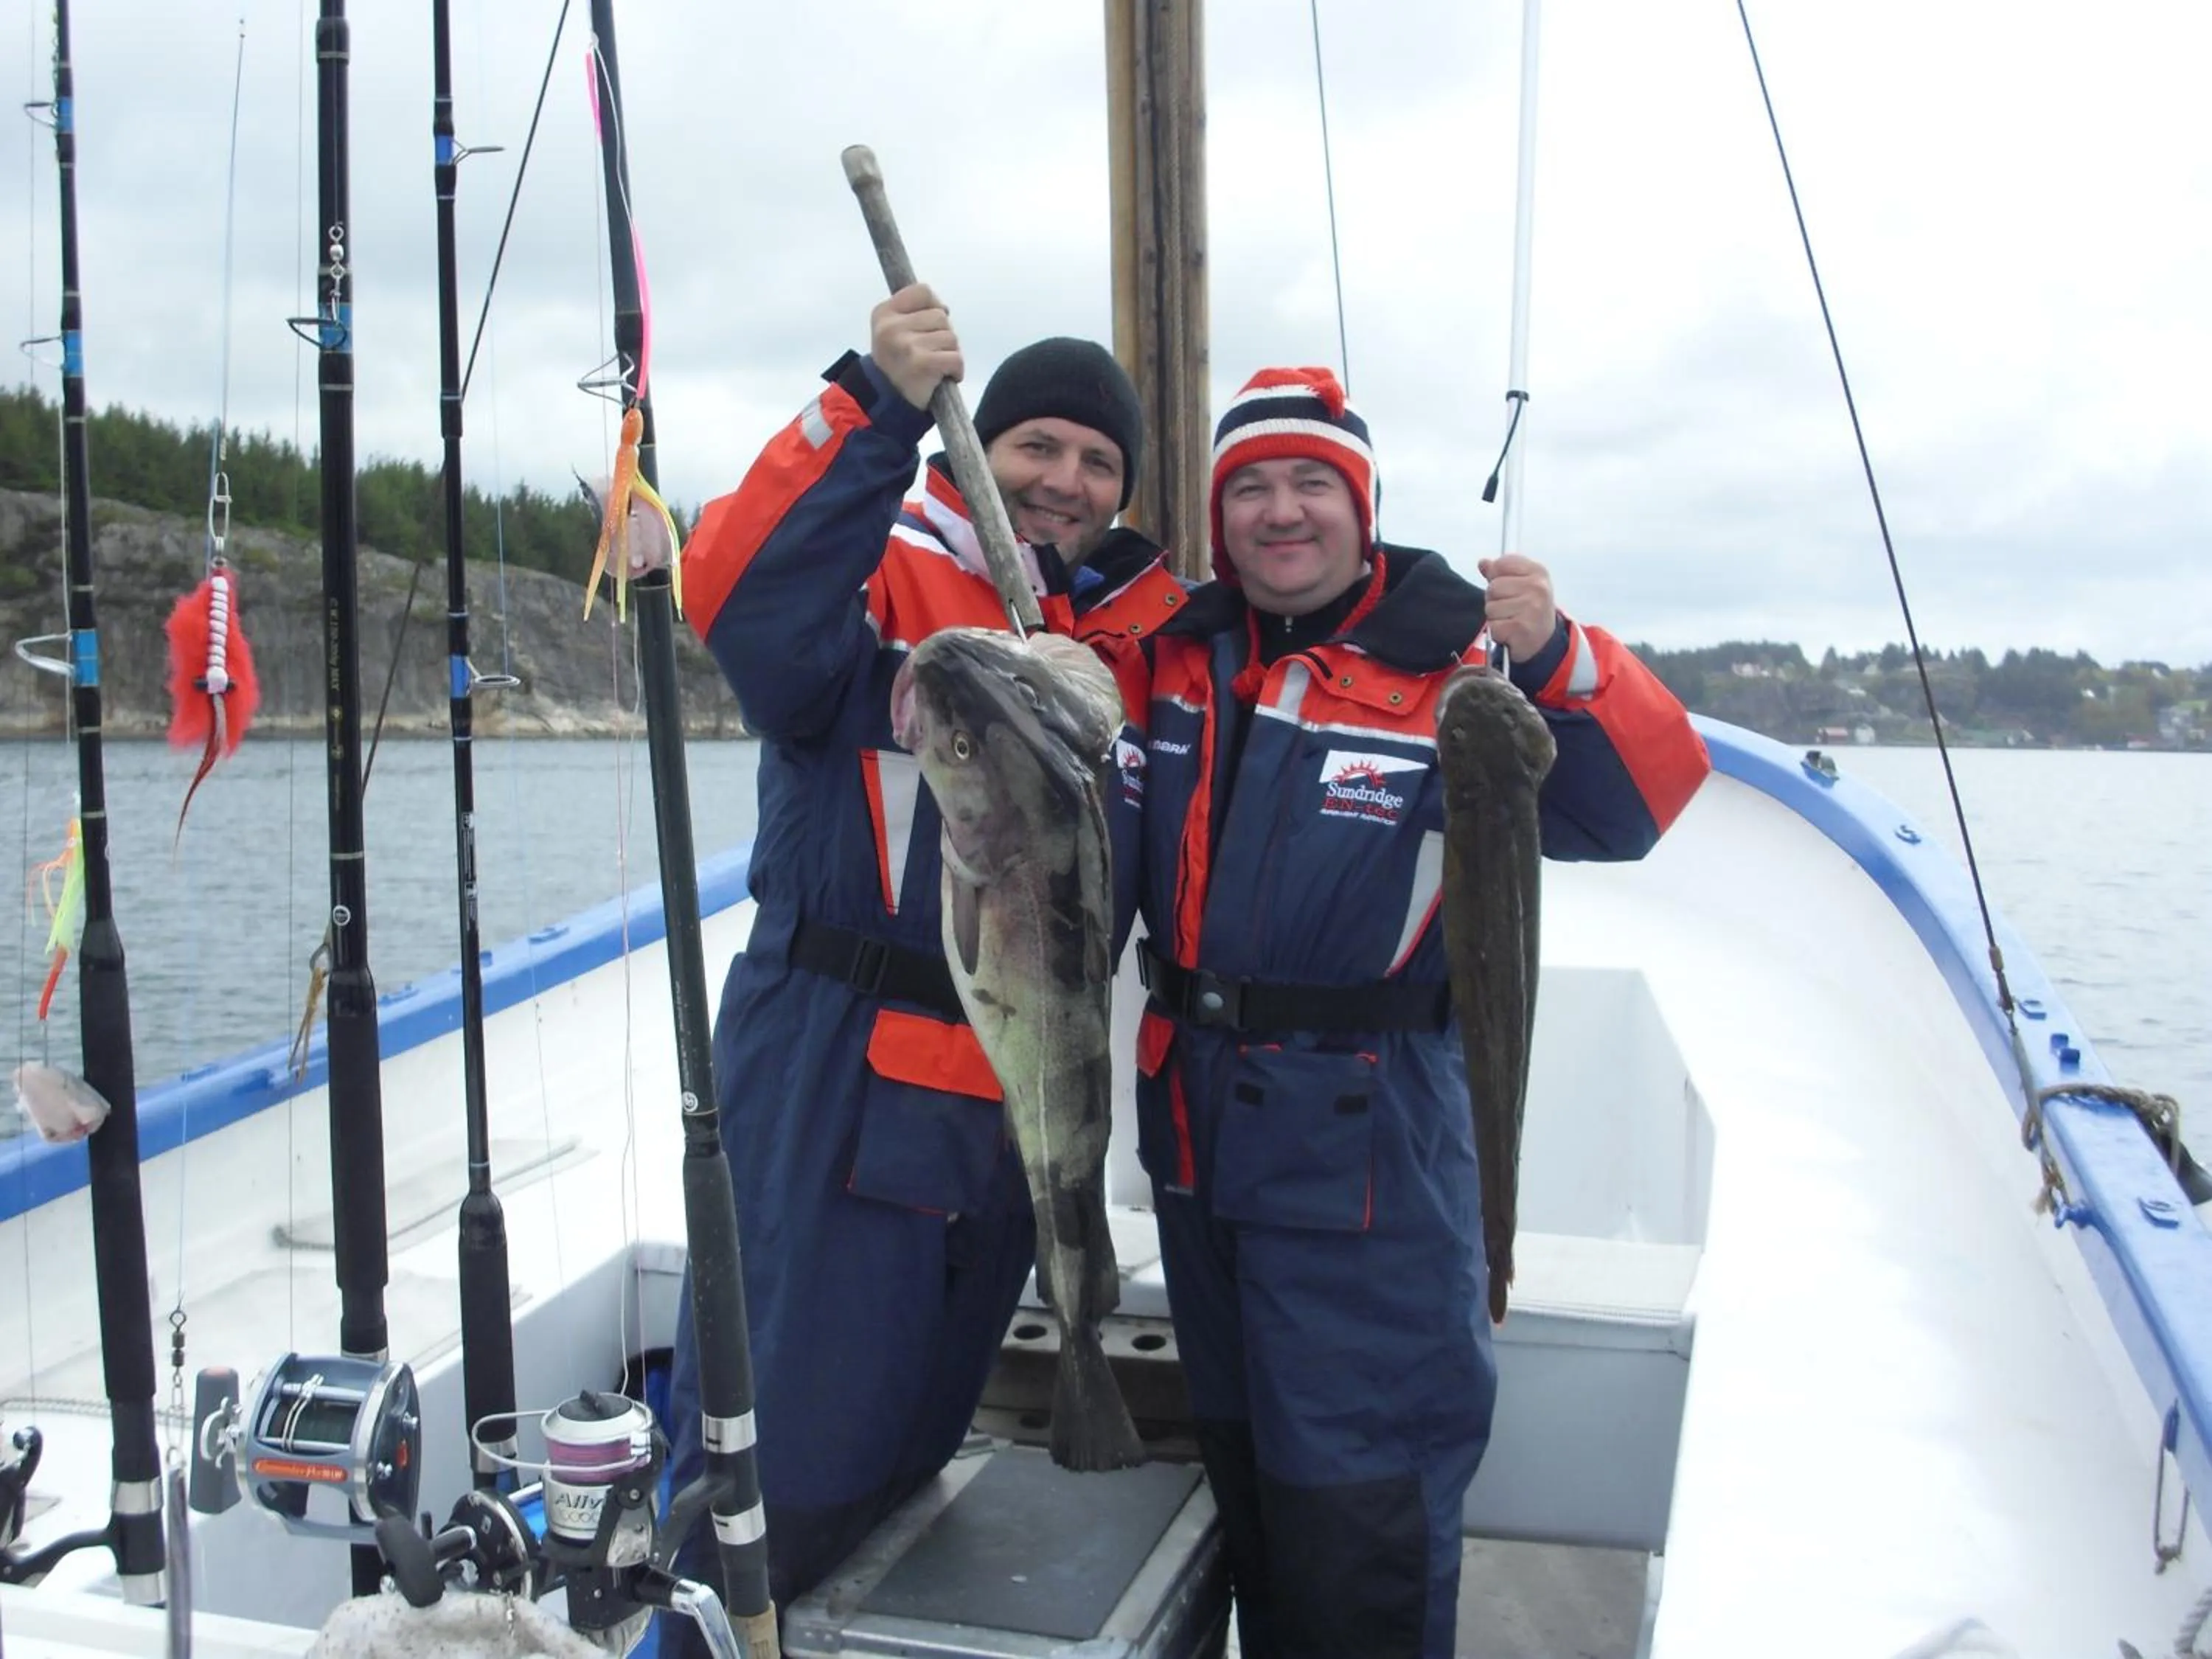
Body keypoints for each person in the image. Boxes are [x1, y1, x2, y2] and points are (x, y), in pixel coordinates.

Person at [1130, 366, 1711, 1657]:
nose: (1283, 513)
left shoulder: (1463, 680)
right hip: (1194, 1155)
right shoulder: (1174, 662)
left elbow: (1642, 799)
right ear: (1221, 516)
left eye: (1313, 485)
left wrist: (1559, 652)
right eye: (1254, 489)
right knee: (1253, 1522)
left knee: (1360, 1539)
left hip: (1369, 1172)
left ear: (1365, 505)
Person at [658, 285, 1187, 1641]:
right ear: (977, 448)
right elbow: (733, 595)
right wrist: (871, 400)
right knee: (774, 1473)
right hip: (837, 1076)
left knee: (904, 1473)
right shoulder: (880, 568)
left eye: (1097, 462)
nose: (1063, 482)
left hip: (1014, 1110)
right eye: (1036, 448)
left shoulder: (1128, 638)